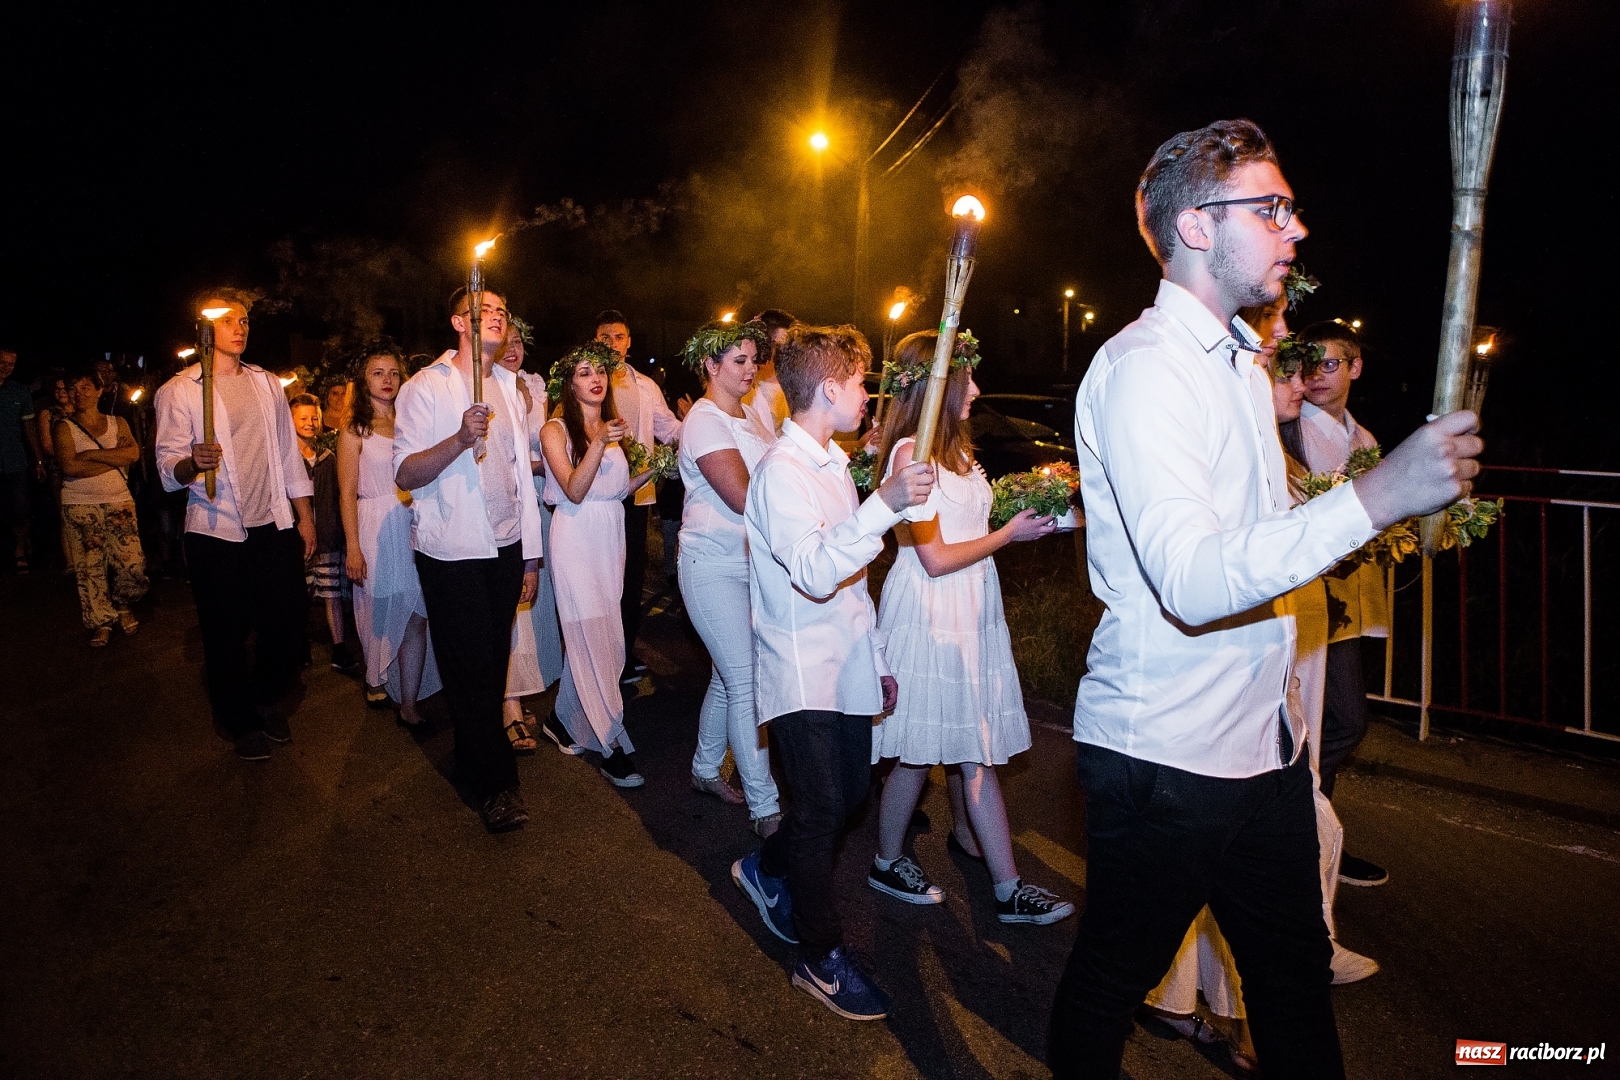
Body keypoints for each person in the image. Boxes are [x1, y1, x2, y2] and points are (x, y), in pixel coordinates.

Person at [1047, 119, 1483, 1079]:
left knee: (1290, 978)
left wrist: (1380, 506)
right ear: (1197, 227)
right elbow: (1197, 581)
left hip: (1263, 744)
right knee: (1109, 983)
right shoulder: (1145, 371)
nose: (1297, 229)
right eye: (1272, 208)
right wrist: (1376, 497)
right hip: (1165, 755)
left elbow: (1257, 537)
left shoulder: (1242, 365)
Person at [730, 324, 935, 1023]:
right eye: (859, 382)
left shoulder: (833, 464)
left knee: (847, 799)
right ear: (827, 388)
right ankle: (820, 957)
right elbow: (817, 573)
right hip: (800, 669)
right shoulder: (781, 473)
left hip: (845, 663)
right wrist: (888, 504)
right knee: (822, 811)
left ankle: (766, 867)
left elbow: (852, 584)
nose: (867, 395)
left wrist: (876, 660)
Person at [865, 330, 1074, 926]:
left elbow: (968, 520)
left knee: (967, 748)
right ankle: (897, 863)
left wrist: (1038, 511)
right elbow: (932, 557)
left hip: (972, 607)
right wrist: (1009, 538)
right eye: (967, 379)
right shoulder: (912, 455)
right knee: (915, 751)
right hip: (929, 610)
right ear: (937, 387)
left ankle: (998, 886)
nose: (978, 390)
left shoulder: (958, 451)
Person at [395, 284, 545, 832]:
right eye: (487, 311)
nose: (498, 319)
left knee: (488, 660)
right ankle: (497, 786)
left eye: (504, 312)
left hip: (504, 546)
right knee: (473, 666)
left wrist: (529, 557)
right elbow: (405, 473)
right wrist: (459, 439)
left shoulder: (509, 387)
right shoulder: (424, 388)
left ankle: (469, 753)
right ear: (459, 322)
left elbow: (519, 482)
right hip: (451, 550)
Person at [155, 289, 316, 762]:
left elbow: (288, 455)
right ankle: (239, 718)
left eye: (245, 320)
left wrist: (304, 517)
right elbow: (167, 468)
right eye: (229, 320)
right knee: (224, 632)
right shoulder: (181, 390)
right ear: (205, 329)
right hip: (216, 529)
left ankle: (265, 697)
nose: (241, 327)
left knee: (286, 624)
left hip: (273, 524)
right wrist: (191, 462)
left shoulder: (267, 383)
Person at [675, 320, 783, 835]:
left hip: (752, 564)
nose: (750, 368)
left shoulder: (754, 415)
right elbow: (743, 496)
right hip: (711, 565)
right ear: (709, 366)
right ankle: (767, 808)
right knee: (747, 681)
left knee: (727, 674)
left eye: (752, 359)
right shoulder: (703, 420)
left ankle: (703, 769)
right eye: (737, 361)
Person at [1298, 319, 1391, 888]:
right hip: (1313, 598)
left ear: (1355, 366)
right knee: (1338, 722)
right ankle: (1303, 831)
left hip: (1349, 600)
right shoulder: (1296, 434)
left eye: (1330, 364)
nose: (1317, 377)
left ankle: (1317, 838)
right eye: (1308, 365)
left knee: (1335, 723)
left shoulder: (1365, 440)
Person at [540, 342, 657, 786]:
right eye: (584, 372)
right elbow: (573, 488)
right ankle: (611, 743)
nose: (596, 378)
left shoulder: (611, 429)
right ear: (568, 383)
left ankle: (562, 719)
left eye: (600, 371)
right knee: (593, 636)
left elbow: (615, 490)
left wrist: (651, 471)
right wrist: (599, 443)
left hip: (611, 533)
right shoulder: (554, 430)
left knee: (604, 631)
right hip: (575, 536)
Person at [337, 344, 439, 726]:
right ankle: (376, 674)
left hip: (412, 525)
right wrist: (352, 546)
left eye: (394, 373)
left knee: (416, 614)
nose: (388, 380)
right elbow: (347, 490)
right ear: (364, 380)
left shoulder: (414, 423)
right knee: (379, 611)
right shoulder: (354, 431)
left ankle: (409, 701)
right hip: (374, 524)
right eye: (378, 372)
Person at [594, 309, 685, 684]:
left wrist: (704, 421)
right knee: (601, 579)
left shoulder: (645, 386)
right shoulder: (588, 382)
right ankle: (597, 659)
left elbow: (669, 428)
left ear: (628, 342)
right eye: (604, 338)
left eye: (618, 337)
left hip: (637, 495)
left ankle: (624, 656)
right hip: (597, 495)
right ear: (594, 342)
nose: (612, 344)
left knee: (630, 581)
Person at [495, 329, 560, 752]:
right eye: (506, 341)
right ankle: (509, 705)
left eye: (519, 340)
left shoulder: (536, 386)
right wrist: (538, 463)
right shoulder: (484, 389)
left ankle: (521, 688)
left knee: (533, 605)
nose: (514, 348)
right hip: (506, 503)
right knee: (511, 607)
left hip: (538, 503)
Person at [53, 367, 149, 645]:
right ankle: (101, 620)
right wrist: (113, 458)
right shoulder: (63, 426)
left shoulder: (117, 422)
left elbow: (132, 453)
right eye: (73, 389)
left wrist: (92, 454)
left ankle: (123, 604)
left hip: (119, 499)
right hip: (81, 503)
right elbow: (69, 465)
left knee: (132, 562)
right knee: (90, 567)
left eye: (85, 388)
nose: (78, 394)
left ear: (98, 390)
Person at [292, 394, 358, 673]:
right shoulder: (287, 459)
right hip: (296, 542)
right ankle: (298, 647)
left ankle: (339, 648)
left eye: (314, 417)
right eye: (303, 418)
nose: (310, 423)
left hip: (329, 538)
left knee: (332, 593)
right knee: (297, 595)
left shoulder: (328, 457)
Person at [0, 347, 41, 574]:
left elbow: (29, 427)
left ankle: (19, 552)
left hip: (14, 460)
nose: (6, 367)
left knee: (20, 509)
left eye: (11, 364)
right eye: (2, 362)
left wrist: (38, 460)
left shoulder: (19, 391)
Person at [743, 308, 795, 437]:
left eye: (790, 346)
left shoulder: (794, 383)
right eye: (780, 346)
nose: (786, 352)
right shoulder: (746, 386)